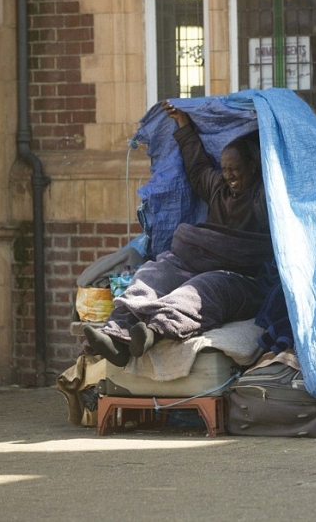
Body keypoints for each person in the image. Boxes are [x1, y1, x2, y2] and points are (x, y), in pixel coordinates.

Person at [84, 100, 273, 366]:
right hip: (197, 259)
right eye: (226, 169)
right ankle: (117, 334)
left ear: (253, 168)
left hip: (242, 276)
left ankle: (153, 331)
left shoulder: (265, 196)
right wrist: (184, 125)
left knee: (201, 288)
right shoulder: (218, 187)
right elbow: (196, 166)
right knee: (153, 272)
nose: (229, 175)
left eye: (236, 169)